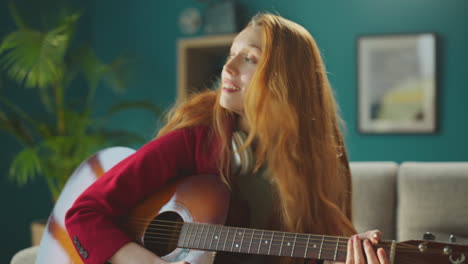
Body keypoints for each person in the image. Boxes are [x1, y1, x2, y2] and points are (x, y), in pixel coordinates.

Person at [65, 13, 389, 264]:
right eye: (231, 54)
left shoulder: (324, 159)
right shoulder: (193, 141)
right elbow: (83, 214)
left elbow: (317, 251)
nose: (227, 68)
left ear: (285, 80)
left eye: (249, 58)